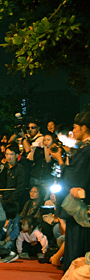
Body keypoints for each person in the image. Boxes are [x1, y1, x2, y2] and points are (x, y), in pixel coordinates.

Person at [59, 112, 90, 271]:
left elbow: (73, 176)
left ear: (84, 128)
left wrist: (61, 162)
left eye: (75, 127)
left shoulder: (86, 151)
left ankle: (75, 277)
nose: (73, 131)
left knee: (78, 243)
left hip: (82, 205)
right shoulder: (84, 149)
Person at [0, 144, 29, 211]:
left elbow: (21, 186)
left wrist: (11, 199)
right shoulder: (5, 167)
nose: (9, 157)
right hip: (4, 197)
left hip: (14, 200)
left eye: (11, 154)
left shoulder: (20, 169)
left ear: (16, 155)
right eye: (7, 154)